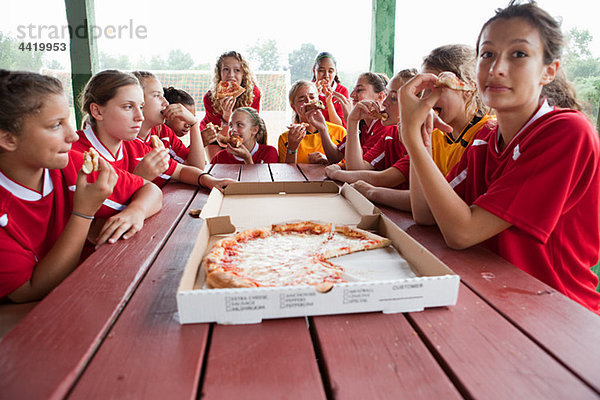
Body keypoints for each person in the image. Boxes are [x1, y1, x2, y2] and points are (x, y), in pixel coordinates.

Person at [400, 1, 600, 313]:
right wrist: (421, 140)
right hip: (497, 299)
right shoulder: (485, 139)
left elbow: (461, 232)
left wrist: (410, 136)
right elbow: (426, 214)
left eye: (518, 54)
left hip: (559, 313)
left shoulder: (566, 132)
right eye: (487, 54)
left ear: (549, 70)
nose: (496, 69)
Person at [0, 70, 163, 303]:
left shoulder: (72, 164)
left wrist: (135, 212)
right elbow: (31, 292)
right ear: (8, 139)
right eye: (56, 125)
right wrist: (83, 213)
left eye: (68, 121)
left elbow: (150, 191)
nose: (72, 136)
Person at [350, 45, 494, 211]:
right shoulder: (435, 136)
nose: (425, 100)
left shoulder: (485, 136)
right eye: (422, 92)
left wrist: (371, 191)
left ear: (467, 88)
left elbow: (430, 208)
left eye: (435, 88)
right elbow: (422, 212)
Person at [74, 70, 234, 190]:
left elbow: (182, 170)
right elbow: (95, 220)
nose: (140, 116)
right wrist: (140, 179)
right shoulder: (77, 155)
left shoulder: (142, 143)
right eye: (128, 106)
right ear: (97, 111)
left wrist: (211, 181)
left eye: (141, 106)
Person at [324, 69, 416, 190]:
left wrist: (337, 172)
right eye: (388, 96)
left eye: (393, 98)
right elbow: (354, 166)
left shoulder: (387, 129)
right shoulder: (392, 134)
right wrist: (352, 122)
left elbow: (383, 179)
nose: (385, 102)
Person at [132, 71, 205, 169]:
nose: (166, 103)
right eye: (157, 95)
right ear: (139, 101)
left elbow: (197, 167)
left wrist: (194, 124)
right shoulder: (124, 141)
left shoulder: (163, 132)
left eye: (163, 96)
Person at [200, 51, 261, 161]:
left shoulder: (254, 94)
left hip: (242, 131)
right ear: (220, 73)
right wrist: (227, 115)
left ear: (244, 74)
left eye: (237, 70)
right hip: (215, 133)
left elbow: (251, 129)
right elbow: (222, 141)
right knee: (217, 164)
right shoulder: (209, 98)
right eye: (226, 69)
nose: (231, 75)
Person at [278, 80, 346, 164]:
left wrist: (328, 160)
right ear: (293, 107)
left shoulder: (339, 132)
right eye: (302, 99)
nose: (308, 101)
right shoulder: (286, 138)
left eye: (312, 97)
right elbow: (286, 173)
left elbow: (350, 167)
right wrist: (292, 149)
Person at [211, 107, 278, 164]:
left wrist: (247, 158)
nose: (233, 129)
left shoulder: (269, 152)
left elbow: (261, 179)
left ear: (254, 130)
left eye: (239, 125)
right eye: (230, 125)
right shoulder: (220, 157)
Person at [312, 52, 349, 127]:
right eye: (321, 71)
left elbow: (339, 126)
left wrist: (329, 102)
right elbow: (305, 120)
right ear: (314, 71)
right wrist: (315, 96)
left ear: (335, 72)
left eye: (330, 71)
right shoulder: (308, 89)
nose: (326, 76)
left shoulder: (342, 91)